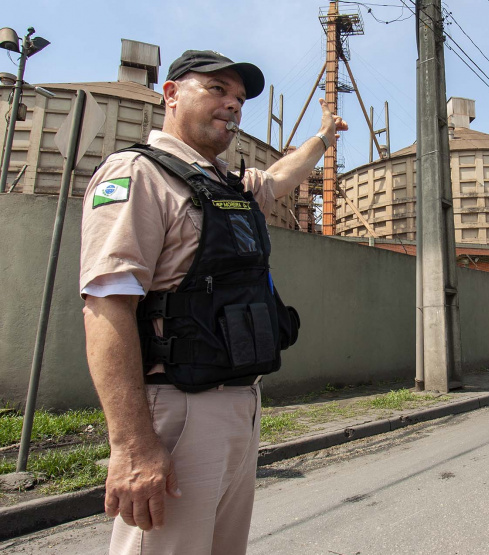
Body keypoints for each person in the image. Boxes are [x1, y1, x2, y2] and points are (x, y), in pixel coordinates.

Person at [80, 50, 347, 554]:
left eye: (240, 98)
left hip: (241, 404)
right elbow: (107, 305)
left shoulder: (228, 186)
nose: (233, 105)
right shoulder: (139, 174)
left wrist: (324, 138)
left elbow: (283, 176)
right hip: (179, 409)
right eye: (217, 90)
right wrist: (132, 445)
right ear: (173, 93)